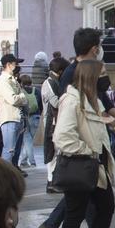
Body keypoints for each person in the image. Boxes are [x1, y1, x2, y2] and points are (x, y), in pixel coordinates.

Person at [52, 59, 115, 228]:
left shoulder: (92, 100)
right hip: (81, 165)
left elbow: (96, 120)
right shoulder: (72, 100)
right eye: (101, 73)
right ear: (91, 76)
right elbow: (62, 136)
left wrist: (112, 121)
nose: (104, 77)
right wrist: (86, 149)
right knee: (75, 213)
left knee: (106, 207)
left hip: (95, 165)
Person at [41, 56, 70, 196]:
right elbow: (56, 103)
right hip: (52, 124)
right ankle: (51, 181)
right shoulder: (49, 83)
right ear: (60, 70)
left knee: (57, 153)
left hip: (57, 123)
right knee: (52, 154)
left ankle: (55, 180)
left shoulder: (55, 82)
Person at [0, 54, 27, 169]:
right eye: (15, 64)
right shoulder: (3, 80)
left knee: (12, 151)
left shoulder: (12, 80)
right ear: (8, 65)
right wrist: (22, 97)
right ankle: (4, 176)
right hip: (9, 118)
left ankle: (8, 175)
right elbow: (13, 99)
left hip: (16, 118)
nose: (17, 66)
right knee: (9, 150)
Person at [17, 74, 41, 168]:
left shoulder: (21, 92)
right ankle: (23, 161)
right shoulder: (37, 91)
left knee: (27, 140)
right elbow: (40, 105)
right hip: (36, 117)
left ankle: (32, 161)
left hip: (25, 117)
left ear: (21, 83)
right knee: (29, 140)